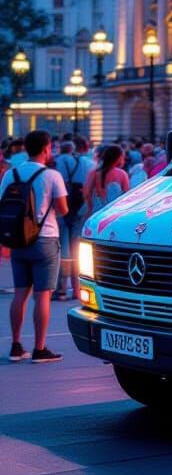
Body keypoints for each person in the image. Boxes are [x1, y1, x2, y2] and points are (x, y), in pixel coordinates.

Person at [2, 130, 68, 363]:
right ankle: (40, 348)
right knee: (42, 296)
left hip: (18, 239)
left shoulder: (11, 174)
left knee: (20, 293)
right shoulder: (52, 175)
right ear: (46, 148)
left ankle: (16, 346)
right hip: (45, 239)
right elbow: (63, 210)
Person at [54, 137, 94, 301]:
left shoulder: (58, 161)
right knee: (77, 247)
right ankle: (77, 289)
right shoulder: (84, 161)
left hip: (64, 207)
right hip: (79, 206)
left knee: (63, 249)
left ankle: (61, 289)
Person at [84, 145, 130, 214]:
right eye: (123, 157)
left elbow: (87, 193)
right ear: (119, 158)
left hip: (97, 211)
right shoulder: (122, 174)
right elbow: (126, 196)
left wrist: (90, 209)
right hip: (114, 213)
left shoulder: (94, 173)